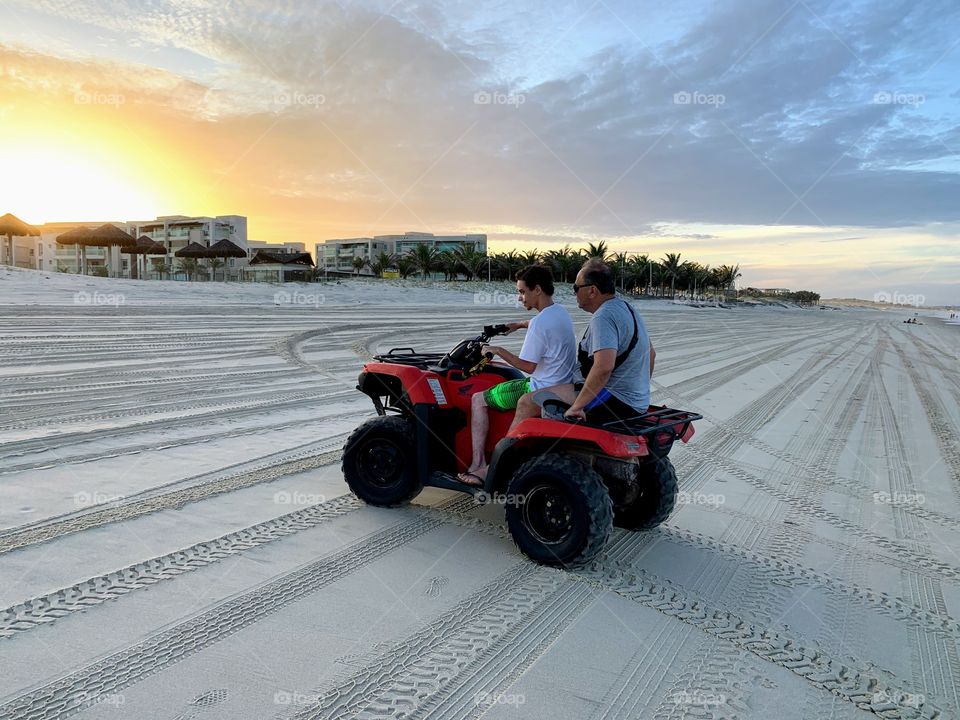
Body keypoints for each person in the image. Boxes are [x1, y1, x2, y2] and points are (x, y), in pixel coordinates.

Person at [457, 265, 577, 486]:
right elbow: (536, 323)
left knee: (478, 399)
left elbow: (528, 366)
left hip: (536, 387)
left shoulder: (540, 324)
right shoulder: (559, 312)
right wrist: (518, 325)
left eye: (522, 292)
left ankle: (479, 467)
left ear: (537, 289)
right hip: (561, 385)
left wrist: (498, 351)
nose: (519, 297)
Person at [533, 259, 655, 424]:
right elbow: (651, 354)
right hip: (636, 402)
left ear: (592, 291)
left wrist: (577, 407)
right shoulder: (627, 308)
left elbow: (604, 367)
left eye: (576, 288)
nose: (574, 293)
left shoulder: (603, 316)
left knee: (528, 401)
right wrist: (638, 391)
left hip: (614, 400)